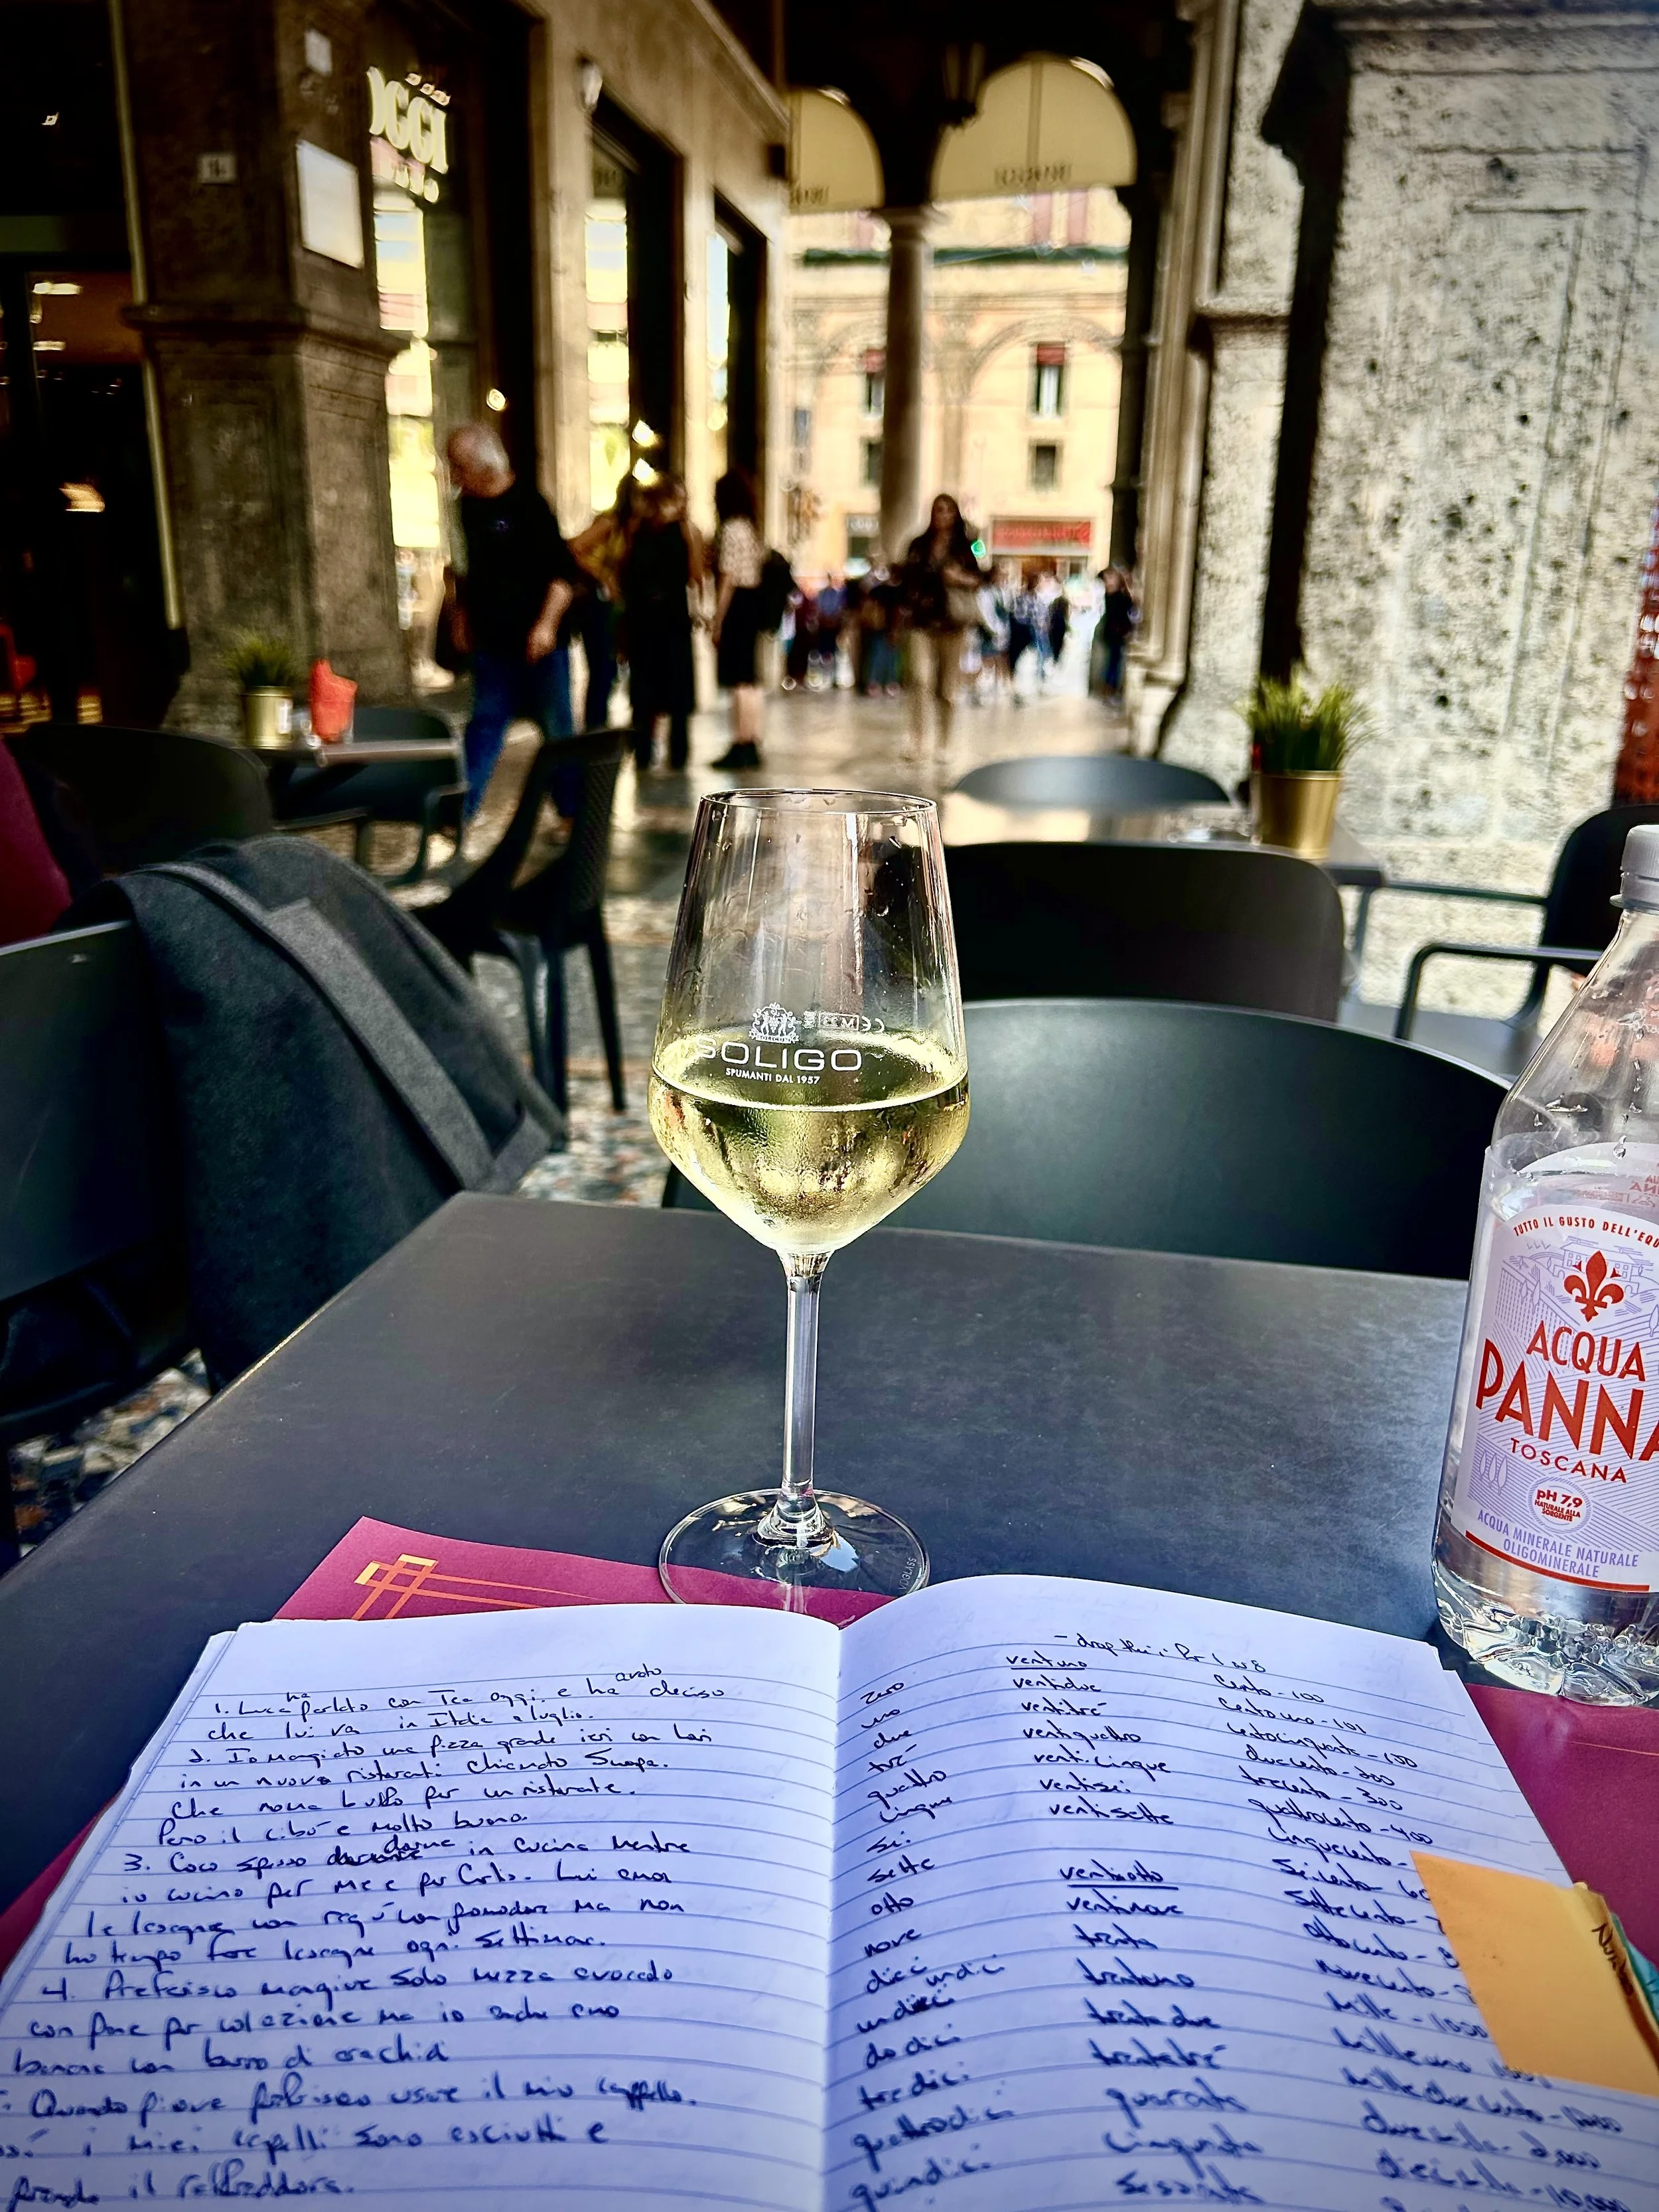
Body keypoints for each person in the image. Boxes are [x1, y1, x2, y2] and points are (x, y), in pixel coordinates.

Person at [445, 423, 580, 819]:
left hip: (540, 646)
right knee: (484, 726)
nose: (454, 476)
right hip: (493, 644)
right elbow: (466, 572)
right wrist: (460, 617)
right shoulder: (466, 507)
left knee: (557, 732)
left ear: (484, 466)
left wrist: (546, 626)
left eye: (459, 466)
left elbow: (563, 577)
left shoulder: (529, 505)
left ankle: (571, 814)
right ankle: (460, 813)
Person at [622, 474, 702, 773]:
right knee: (645, 688)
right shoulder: (637, 528)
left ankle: (675, 753)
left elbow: (695, 575)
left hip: (670, 619)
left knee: (674, 689)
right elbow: (626, 568)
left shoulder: (684, 531)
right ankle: (645, 750)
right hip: (647, 619)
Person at [899, 493, 988, 755]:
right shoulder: (918, 544)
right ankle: (916, 740)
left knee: (948, 687)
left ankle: (944, 743)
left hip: (953, 623)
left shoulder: (971, 544)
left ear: (956, 514)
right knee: (919, 679)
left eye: (949, 510)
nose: (943, 515)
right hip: (921, 622)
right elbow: (905, 577)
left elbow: (984, 575)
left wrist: (959, 578)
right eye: (939, 510)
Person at [565, 475, 637, 731]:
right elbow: (575, 547)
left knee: (610, 668)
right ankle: (594, 727)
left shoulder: (633, 528)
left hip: (613, 604)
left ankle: (599, 723)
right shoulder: (609, 522)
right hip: (595, 604)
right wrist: (602, 575)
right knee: (601, 667)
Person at [710, 468, 767, 769]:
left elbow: (728, 577)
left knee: (739, 680)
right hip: (753, 602)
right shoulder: (751, 528)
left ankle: (741, 742)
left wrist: (717, 618)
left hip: (738, 604)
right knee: (751, 679)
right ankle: (752, 740)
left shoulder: (732, 528)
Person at [1097, 565, 1139, 707]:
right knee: (1113, 664)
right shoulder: (1115, 596)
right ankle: (1109, 692)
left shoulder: (1113, 595)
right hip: (1116, 634)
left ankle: (1108, 692)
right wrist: (1127, 580)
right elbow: (1132, 603)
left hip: (1114, 634)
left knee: (1112, 663)